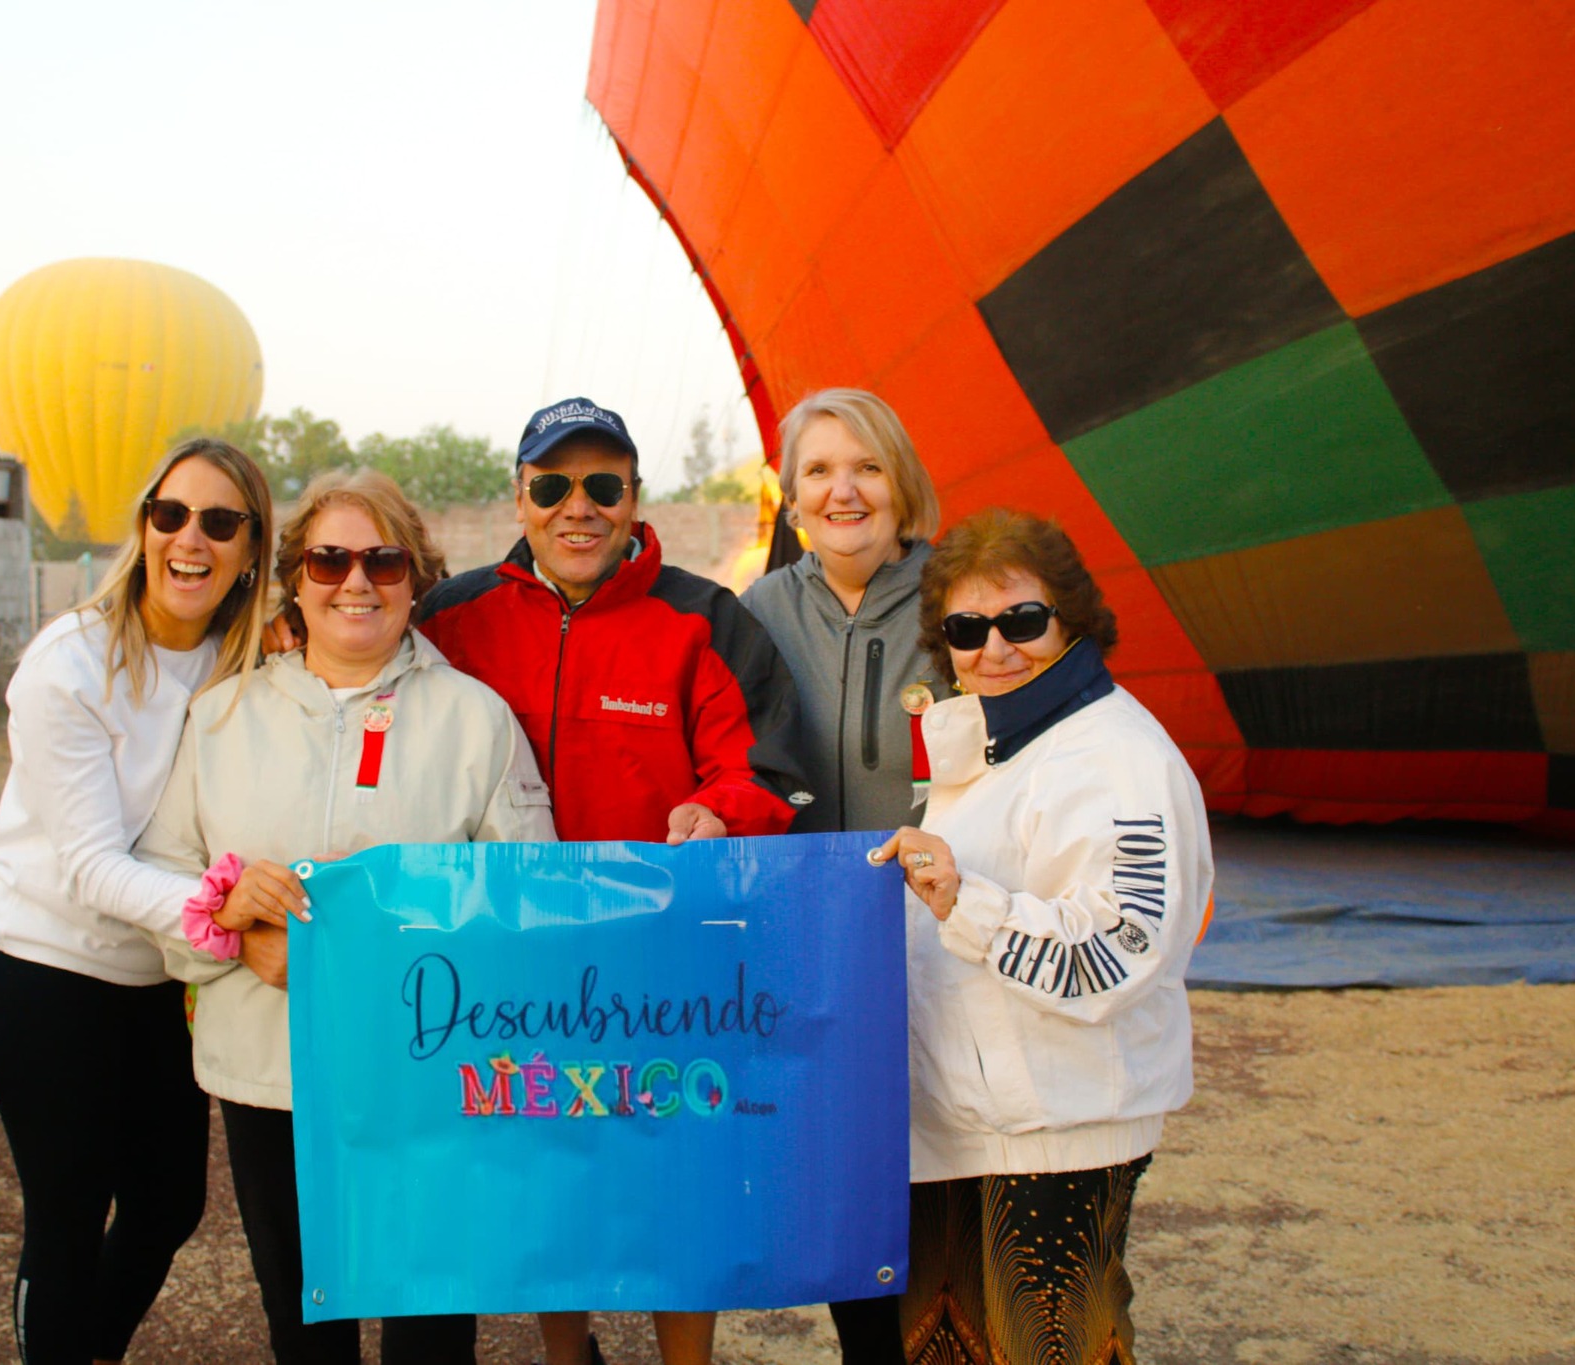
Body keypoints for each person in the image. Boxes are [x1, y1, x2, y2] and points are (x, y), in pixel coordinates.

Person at [417, 397, 812, 1365]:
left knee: (678, 1181)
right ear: (520, 497)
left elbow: (764, 766)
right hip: (514, 965)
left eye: (603, 486)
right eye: (552, 486)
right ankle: (569, 1352)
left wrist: (720, 811)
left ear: (635, 498)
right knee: (551, 1178)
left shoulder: (700, 617)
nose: (576, 507)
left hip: (664, 960)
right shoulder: (450, 620)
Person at [137, 468, 557, 1364]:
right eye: (328, 560)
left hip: (430, 1079)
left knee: (433, 1327)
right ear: (294, 577)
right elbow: (162, 877)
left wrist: (393, 936)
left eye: (384, 560)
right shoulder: (219, 718)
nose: (355, 581)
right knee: (304, 1326)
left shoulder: (475, 720)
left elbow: (531, 896)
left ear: (417, 577)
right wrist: (235, 928)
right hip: (269, 1073)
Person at [0, 438, 284, 1365]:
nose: (191, 539)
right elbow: (92, 868)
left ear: (251, 549)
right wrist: (230, 909)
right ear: (144, 529)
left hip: (151, 973)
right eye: (170, 514)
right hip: (42, 968)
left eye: (219, 522)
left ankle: (90, 1348)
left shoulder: (249, 659)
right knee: (67, 1212)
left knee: (169, 1201)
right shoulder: (70, 662)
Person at [869, 509, 1210, 1365]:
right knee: (949, 1344)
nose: (996, 648)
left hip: (1060, 1125)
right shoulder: (1003, 740)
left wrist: (964, 901)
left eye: (1023, 621)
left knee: (1051, 1346)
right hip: (972, 1120)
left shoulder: (1118, 760)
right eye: (966, 628)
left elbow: (1113, 954)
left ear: (1072, 619)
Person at [737, 389, 942, 1362]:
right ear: (789, 498)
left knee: (949, 1211)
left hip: (952, 955)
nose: (842, 489)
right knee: (849, 1212)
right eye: (817, 470)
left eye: (863, 465)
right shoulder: (758, 613)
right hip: (818, 969)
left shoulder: (963, 599)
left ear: (900, 479)